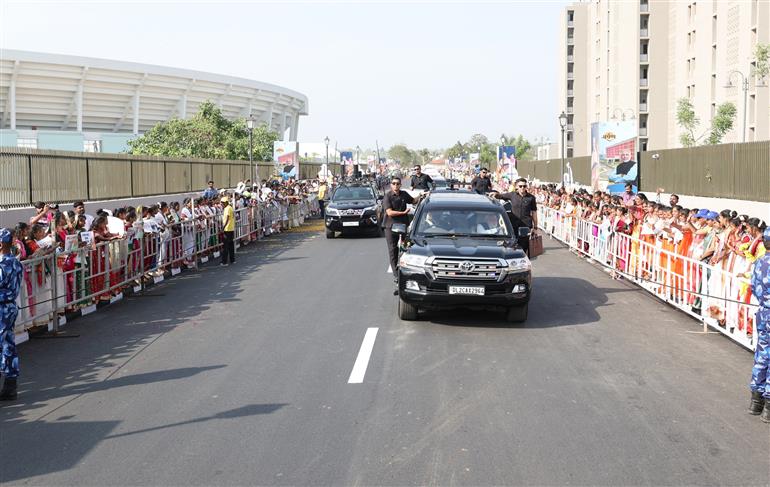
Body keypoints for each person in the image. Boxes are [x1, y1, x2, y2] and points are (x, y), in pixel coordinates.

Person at [748, 227, 770, 422]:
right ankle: (768, 407)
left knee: (762, 354)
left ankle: (756, 402)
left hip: (763, 313)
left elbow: (753, 287)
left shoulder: (759, 262)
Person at [0, 228, 23, 401]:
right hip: (9, 307)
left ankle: (9, 385)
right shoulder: (15, 262)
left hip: (2, 308)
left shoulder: (4, 265)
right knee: (8, 344)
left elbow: (7, 289)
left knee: (5, 346)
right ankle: (10, 385)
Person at [382, 177, 414, 293]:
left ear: (400, 185)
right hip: (390, 226)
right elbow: (389, 212)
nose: (395, 185)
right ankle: (396, 276)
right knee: (393, 250)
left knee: (407, 248)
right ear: (391, 185)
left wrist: (422, 195)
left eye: (397, 184)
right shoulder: (388, 196)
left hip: (403, 225)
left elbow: (414, 201)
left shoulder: (404, 194)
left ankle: (407, 270)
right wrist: (403, 213)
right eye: (393, 183)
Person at [493, 177, 538, 256]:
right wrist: (495, 194)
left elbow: (534, 212)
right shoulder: (512, 195)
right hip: (513, 223)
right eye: (520, 186)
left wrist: (535, 227)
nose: (522, 188)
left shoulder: (531, 198)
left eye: (524, 186)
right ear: (517, 187)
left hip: (526, 224)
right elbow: (501, 196)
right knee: (513, 243)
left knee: (524, 245)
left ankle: (523, 260)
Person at [220, 196, 236, 266]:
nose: (221, 205)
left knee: (225, 246)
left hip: (227, 229)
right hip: (231, 228)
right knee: (231, 245)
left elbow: (227, 219)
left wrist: (223, 228)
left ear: (225, 203)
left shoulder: (227, 209)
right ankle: (232, 260)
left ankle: (224, 262)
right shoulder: (230, 207)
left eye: (222, 203)